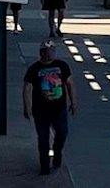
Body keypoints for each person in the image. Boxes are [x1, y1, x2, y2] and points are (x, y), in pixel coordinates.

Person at [23, 38, 76, 175]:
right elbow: (27, 88)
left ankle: (57, 151)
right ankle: (45, 165)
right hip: (41, 110)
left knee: (62, 132)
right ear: (42, 53)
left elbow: (69, 84)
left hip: (59, 108)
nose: (52, 53)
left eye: (53, 50)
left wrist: (73, 101)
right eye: (49, 50)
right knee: (43, 138)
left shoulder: (62, 66)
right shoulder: (34, 69)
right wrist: (27, 107)